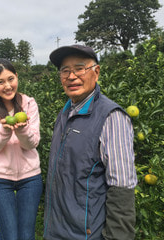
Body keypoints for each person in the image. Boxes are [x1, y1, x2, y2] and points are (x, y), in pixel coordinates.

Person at [43, 45, 137, 240]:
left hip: (86, 234)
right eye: (65, 70)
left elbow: (122, 187)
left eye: (79, 68)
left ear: (96, 72)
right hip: (56, 229)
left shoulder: (111, 117)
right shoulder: (65, 113)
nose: (71, 76)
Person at [0, 58, 43, 240]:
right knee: (9, 236)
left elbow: (32, 143)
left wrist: (22, 131)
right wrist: (4, 131)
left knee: (27, 235)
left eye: (11, 79)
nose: (7, 86)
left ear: (17, 77)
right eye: (0, 82)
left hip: (30, 178)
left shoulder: (29, 104)